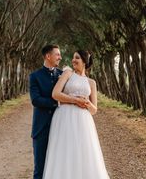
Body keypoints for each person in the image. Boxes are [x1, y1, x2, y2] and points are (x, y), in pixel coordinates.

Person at [42, 50, 109, 179]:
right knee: (65, 151)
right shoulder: (68, 73)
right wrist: (75, 100)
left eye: (77, 58)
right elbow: (55, 94)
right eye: (73, 58)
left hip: (84, 120)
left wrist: (87, 104)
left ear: (84, 61)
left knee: (83, 152)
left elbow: (94, 110)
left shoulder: (91, 83)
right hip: (64, 116)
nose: (73, 60)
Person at [29, 45, 89, 179]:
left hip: (62, 128)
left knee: (60, 166)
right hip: (42, 128)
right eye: (57, 54)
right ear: (48, 56)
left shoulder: (64, 74)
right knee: (40, 168)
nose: (60, 57)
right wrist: (60, 102)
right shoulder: (35, 76)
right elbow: (36, 100)